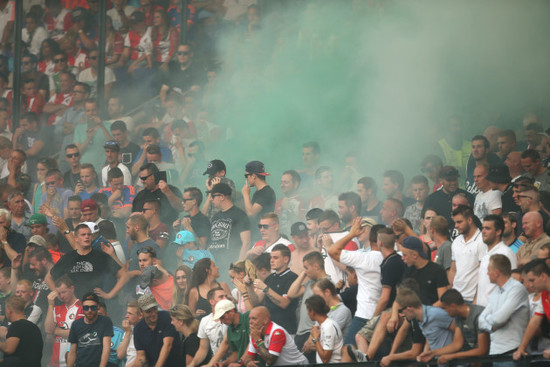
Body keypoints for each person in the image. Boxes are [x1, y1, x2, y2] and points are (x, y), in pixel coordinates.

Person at [327, 217, 384, 344]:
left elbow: (333, 251)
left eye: (363, 228)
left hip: (366, 313)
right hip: (381, 313)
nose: (360, 230)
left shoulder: (364, 257)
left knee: (349, 351)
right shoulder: (394, 257)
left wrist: (351, 234)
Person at [47, 223, 125, 300]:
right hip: (75, 306)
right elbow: (48, 277)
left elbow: (124, 275)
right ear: (76, 238)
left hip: (95, 305)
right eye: (83, 235)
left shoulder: (101, 256)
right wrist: (59, 295)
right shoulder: (68, 257)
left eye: (89, 234)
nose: (87, 237)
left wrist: (109, 295)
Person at [478, 254, 530, 367]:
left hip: (512, 352)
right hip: (496, 352)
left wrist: (490, 320)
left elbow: (499, 319)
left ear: (496, 272)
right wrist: (491, 326)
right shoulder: (496, 291)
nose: (487, 273)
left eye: (488, 270)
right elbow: (480, 320)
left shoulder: (516, 289)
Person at [418, 288, 489, 365]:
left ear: (452, 306)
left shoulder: (478, 315)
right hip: (475, 361)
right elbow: (457, 344)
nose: (444, 311)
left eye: (444, 308)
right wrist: (433, 353)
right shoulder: (458, 316)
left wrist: (452, 356)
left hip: (490, 359)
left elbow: (482, 350)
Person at [287, 251, 329, 362]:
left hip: (311, 333)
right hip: (300, 333)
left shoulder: (328, 284)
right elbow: (291, 293)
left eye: (306, 267)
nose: (305, 271)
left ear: (316, 266)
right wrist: (303, 274)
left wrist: (312, 336)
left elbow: (326, 313)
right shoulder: (310, 283)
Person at [252, 244, 298, 334]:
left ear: (286, 259)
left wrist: (265, 288)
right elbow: (256, 301)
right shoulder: (270, 278)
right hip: (270, 330)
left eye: (275, 258)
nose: (271, 261)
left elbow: (284, 303)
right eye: (271, 258)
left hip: (286, 330)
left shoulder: (292, 277)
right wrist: (249, 287)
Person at [243, 306, 309, 366]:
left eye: (254, 319)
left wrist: (258, 340)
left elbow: (270, 360)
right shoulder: (255, 334)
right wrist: (249, 362)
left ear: (265, 320)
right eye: (250, 319)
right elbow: (249, 356)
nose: (250, 322)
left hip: (297, 365)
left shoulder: (277, 332)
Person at [476, 215, 517, 307]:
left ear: (498, 231)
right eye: (482, 228)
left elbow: (513, 284)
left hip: (496, 312)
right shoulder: (486, 253)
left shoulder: (506, 253)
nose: (483, 231)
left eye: (487, 228)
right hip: (481, 311)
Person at [208, 182, 251, 269]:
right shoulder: (215, 217)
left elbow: (246, 243)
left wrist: (238, 267)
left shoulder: (240, 215)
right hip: (215, 267)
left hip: (231, 265)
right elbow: (211, 244)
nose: (211, 199)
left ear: (222, 197)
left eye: (213, 196)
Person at [134, 293, 183, 367]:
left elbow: (167, 345)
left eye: (154, 309)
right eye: (149, 311)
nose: (153, 313)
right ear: (141, 312)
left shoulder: (166, 317)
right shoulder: (138, 329)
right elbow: (141, 357)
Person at [450, 205, 486, 303]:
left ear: (469, 220)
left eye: (459, 222)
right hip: (456, 297)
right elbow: (453, 270)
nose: (456, 225)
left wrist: (476, 299)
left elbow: (483, 273)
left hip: (472, 298)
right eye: (455, 222)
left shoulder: (482, 241)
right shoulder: (456, 241)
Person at [45, 275, 83, 367]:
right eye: (58, 293)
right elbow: (48, 330)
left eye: (64, 292)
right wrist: (50, 305)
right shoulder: (56, 308)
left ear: (72, 289)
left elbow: (78, 334)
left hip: (74, 362)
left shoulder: (81, 307)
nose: (61, 296)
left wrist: (57, 331)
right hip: (55, 363)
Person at [67, 292, 113, 367]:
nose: (89, 310)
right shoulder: (76, 324)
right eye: (86, 307)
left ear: (97, 307)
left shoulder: (105, 321)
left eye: (93, 307)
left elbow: (106, 348)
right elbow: (72, 351)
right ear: (82, 308)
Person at [189, 287, 228, 367]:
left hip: (232, 362)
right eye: (221, 297)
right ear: (211, 301)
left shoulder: (232, 317)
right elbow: (203, 349)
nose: (225, 299)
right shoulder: (205, 321)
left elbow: (226, 343)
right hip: (216, 364)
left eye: (226, 296)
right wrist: (192, 364)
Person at [0, 295, 43, 367]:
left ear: (9, 310)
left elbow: (8, 349)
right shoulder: (34, 328)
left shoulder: (16, 326)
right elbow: (23, 356)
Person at [208, 299, 249, 366]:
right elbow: (236, 353)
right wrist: (224, 363)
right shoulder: (230, 330)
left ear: (232, 311)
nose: (221, 322)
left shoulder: (248, 318)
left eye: (222, 317)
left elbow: (253, 342)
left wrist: (240, 362)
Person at [242, 160, 276, 240]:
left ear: (253, 176)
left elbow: (251, 212)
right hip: (258, 234)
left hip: (263, 235)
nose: (246, 179)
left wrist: (246, 195)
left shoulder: (266, 192)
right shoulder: (258, 193)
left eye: (246, 176)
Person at [305, 295, 343, 363]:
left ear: (312, 312)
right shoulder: (324, 325)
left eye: (307, 310)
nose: (307, 313)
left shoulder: (329, 326)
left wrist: (315, 338)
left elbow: (325, 359)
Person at [275, 169, 305, 235]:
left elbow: (302, 226)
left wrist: (288, 209)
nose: (282, 185)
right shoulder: (278, 202)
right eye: (281, 182)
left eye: (286, 182)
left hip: (296, 239)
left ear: (296, 184)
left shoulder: (303, 201)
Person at [116, 300, 142, 367]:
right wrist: (127, 333)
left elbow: (141, 359)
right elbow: (120, 355)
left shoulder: (146, 331)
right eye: (127, 313)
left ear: (140, 316)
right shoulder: (129, 329)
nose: (126, 316)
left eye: (130, 314)